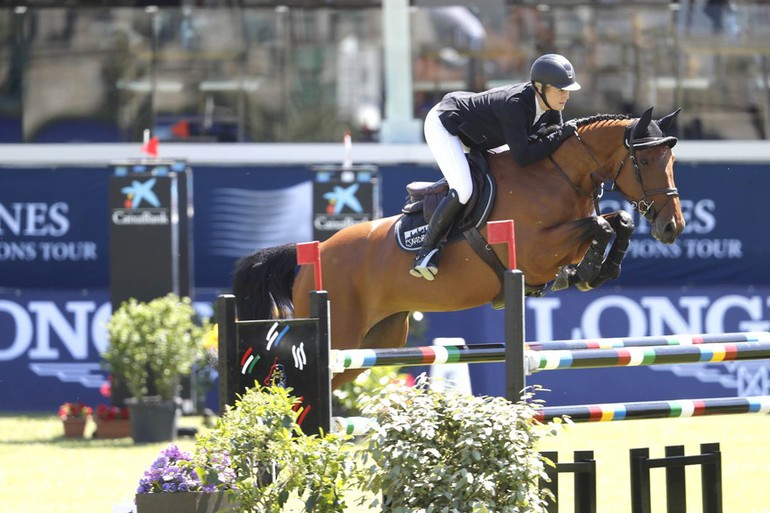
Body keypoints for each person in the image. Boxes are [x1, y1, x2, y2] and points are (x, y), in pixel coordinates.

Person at [411, 53, 582, 281]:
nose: (566, 96)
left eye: (567, 90)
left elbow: (553, 147)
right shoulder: (515, 105)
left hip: (479, 134)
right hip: (447, 125)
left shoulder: (552, 108)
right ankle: (426, 251)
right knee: (464, 189)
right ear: (540, 88)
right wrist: (560, 136)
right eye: (561, 90)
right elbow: (524, 156)